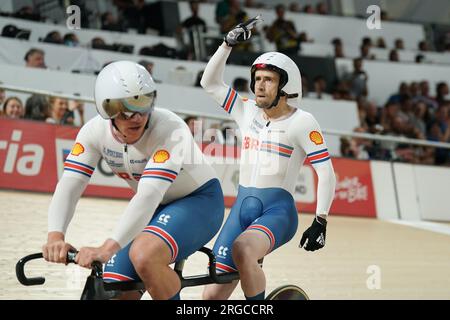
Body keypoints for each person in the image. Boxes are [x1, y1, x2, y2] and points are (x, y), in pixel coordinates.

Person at [42, 61, 224, 300]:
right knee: (116, 286)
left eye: (142, 102)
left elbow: (148, 196)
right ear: (106, 109)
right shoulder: (93, 132)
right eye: (125, 107)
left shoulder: (170, 129)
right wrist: (55, 236)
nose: (136, 116)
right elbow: (70, 185)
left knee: (144, 255)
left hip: (200, 202)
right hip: (157, 209)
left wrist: (107, 248)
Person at [200, 18, 336, 300]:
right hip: (240, 210)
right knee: (210, 297)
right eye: (258, 79)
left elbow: (326, 173)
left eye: (269, 80)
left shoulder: (302, 122)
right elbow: (209, 82)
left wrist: (320, 221)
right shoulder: (246, 111)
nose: (260, 85)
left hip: (277, 213)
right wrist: (227, 44)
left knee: (243, 249)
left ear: (285, 87)